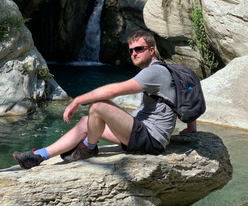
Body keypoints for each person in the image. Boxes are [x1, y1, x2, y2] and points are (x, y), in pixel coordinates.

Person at [12, 30, 196, 169]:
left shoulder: (154, 71)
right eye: (131, 50)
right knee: (87, 121)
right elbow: (187, 93)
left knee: (98, 105)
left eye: (139, 49)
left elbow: (115, 90)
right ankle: (39, 156)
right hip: (141, 133)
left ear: (151, 49)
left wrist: (78, 100)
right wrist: (191, 128)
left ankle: (88, 148)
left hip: (150, 139)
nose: (134, 53)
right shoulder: (165, 70)